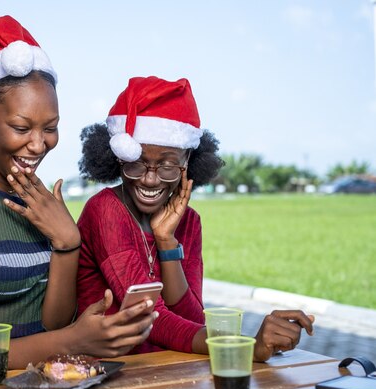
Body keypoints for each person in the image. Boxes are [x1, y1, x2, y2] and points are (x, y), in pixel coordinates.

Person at [0, 13, 156, 380]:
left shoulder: (42, 200)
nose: (39, 144)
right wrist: (71, 342)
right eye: (21, 127)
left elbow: (52, 322)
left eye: (51, 128)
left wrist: (67, 243)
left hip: (30, 381)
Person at [76, 76, 314, 362]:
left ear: (187, 160)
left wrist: (166, 243)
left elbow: (191, 317)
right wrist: (244, 347)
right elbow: (150, 318)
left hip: (169, 368)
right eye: (137, 163)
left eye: (167, 165)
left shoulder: (189, 221)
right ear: (118, 158)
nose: (150, 180)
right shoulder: (105, 210)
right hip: (109, 371)